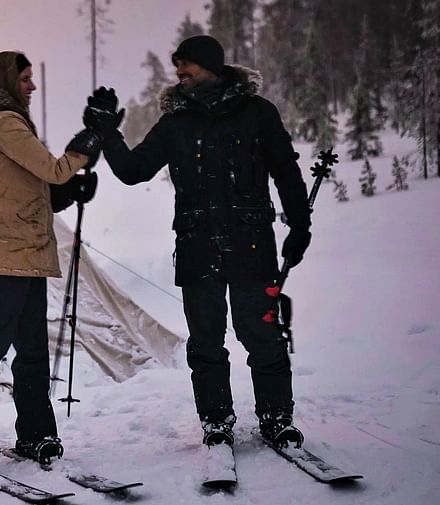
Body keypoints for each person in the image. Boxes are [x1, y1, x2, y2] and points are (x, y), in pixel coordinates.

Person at [82, 35, 312, 448]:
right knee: (205, 341)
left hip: (252, 245)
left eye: (186, 65)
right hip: (196, 246)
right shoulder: (176, 123)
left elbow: (287, 171)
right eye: (177, 68)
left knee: (262, 336)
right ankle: (216, 420)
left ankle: (276, 417)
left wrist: (299, 226)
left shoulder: (257, 114)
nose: (180, 74)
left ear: (212, 66)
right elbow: (134, 170)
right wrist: (107, 135)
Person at [0, 50, 102, 471]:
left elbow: (33, 185)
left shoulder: (9, 122)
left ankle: (36, 433)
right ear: (9, 81)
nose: (32, 85)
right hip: (6, 254)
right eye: (25, 78)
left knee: (31, 350)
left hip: (26, 253)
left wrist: (65, 195)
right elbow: (53, 167)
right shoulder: (3, 122)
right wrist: (87, 144)